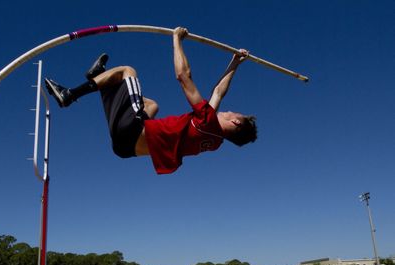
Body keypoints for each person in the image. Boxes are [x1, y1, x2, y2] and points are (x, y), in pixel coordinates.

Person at [44, 27, 257, 174]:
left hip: (132, 129)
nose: (229, 111)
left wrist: (176, 39)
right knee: (152, 105)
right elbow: (219, 92)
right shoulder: (214, 141)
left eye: (234, 113)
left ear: (236, 122)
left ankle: (69, 95)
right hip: (125, 149)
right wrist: (234, 63)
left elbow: (183, 77)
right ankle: (101, 81)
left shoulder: (208, 120)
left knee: (127, 71)